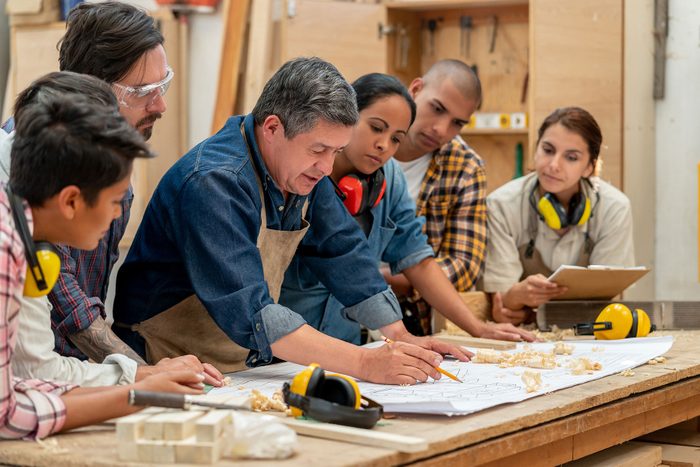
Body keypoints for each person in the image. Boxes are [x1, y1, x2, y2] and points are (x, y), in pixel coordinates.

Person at [114, 57, 470, 386]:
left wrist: (400, 336)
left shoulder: (298, 172)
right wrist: (365, 364)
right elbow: (251, 309)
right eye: (318, 150)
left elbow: (343, 249)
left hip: (237, 367)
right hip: (164, 361)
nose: (327, 168)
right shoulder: (214, 182)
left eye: (336, 152)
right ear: (272, 128)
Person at [0, 90, 204, 440]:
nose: (117, 214)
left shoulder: (20, 233)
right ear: (71, 201)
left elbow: (19, 379)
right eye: (113, 201)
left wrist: (135, 384)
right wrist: (136, 397)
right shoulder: (7, 247)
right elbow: (7, 416)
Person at [280, 73, 533, 344]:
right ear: (347, 115)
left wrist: (478, 328)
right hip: (281, 348)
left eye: (396, 139)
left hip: (345, 347)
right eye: (376, 128)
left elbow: (418, 261)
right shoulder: (300, 172)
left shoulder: (390, 178)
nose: (383, 145)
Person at [482, 107, 634, 324]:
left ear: (589, 167)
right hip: (523, 334)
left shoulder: (615, 208)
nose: (553, 165)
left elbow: (605, 299)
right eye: (548, 150)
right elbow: (503, 304)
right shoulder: (501, 205)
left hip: (587, 331)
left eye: (571, 157)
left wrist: (528, 310)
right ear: (536, 150)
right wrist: (516, 296)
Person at [386, 60, 488, 335]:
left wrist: (385, 278)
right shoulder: (358, 143)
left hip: (409, 318)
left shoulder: (466, 167)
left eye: (457, 123)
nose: (441, 130)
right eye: (437, 109)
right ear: (416, 90)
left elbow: (464, 265)